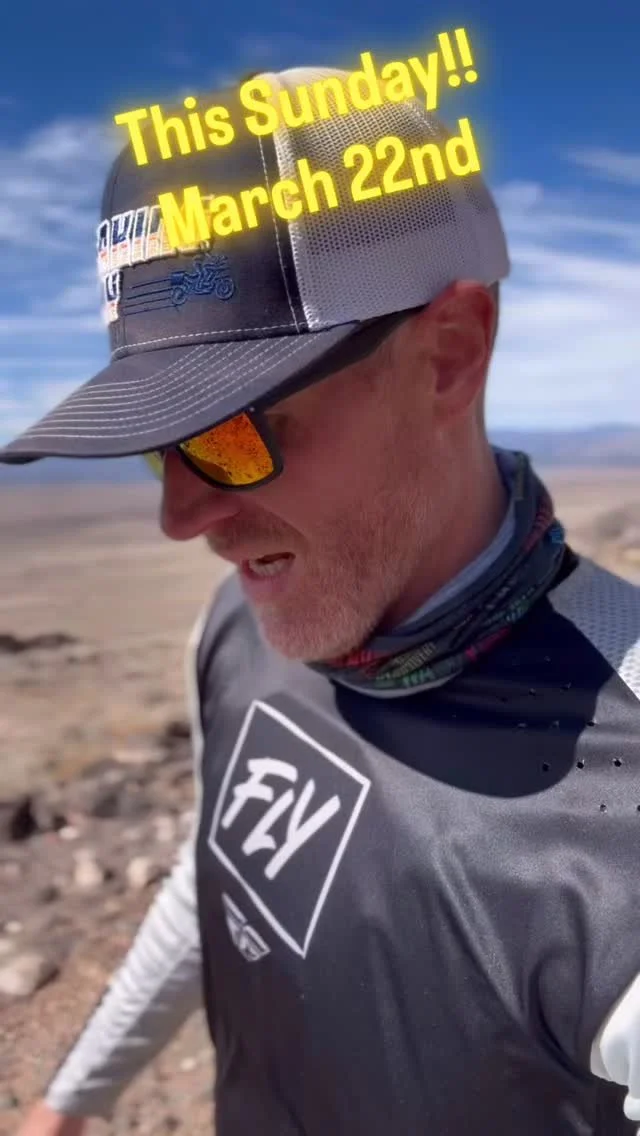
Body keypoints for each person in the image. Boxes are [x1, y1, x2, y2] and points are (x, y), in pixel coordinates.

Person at [4, 63, 640, 1136]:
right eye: (161, 444)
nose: (181, 520)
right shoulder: (236, 630)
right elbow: (224, 868)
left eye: (231, 431)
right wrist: (70, 1098)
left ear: (449, 353)